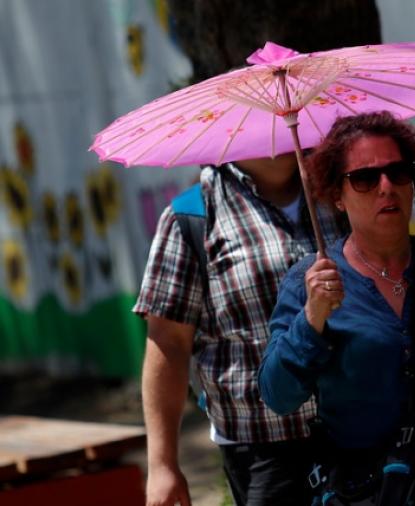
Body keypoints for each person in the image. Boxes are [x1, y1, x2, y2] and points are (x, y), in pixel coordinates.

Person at [258, 111, 415, 505]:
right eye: (365, 178)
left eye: (398, 172)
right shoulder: (309, 281)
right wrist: (313, 317)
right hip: (371, 493)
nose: (386, 187)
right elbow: (278, 395)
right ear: (337, 196)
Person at [135, 153, 347, 506]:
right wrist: (162, 465)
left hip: (356, 430)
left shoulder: (340, 191)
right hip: (262, 450)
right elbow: (169, 343)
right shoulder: (192, 216)